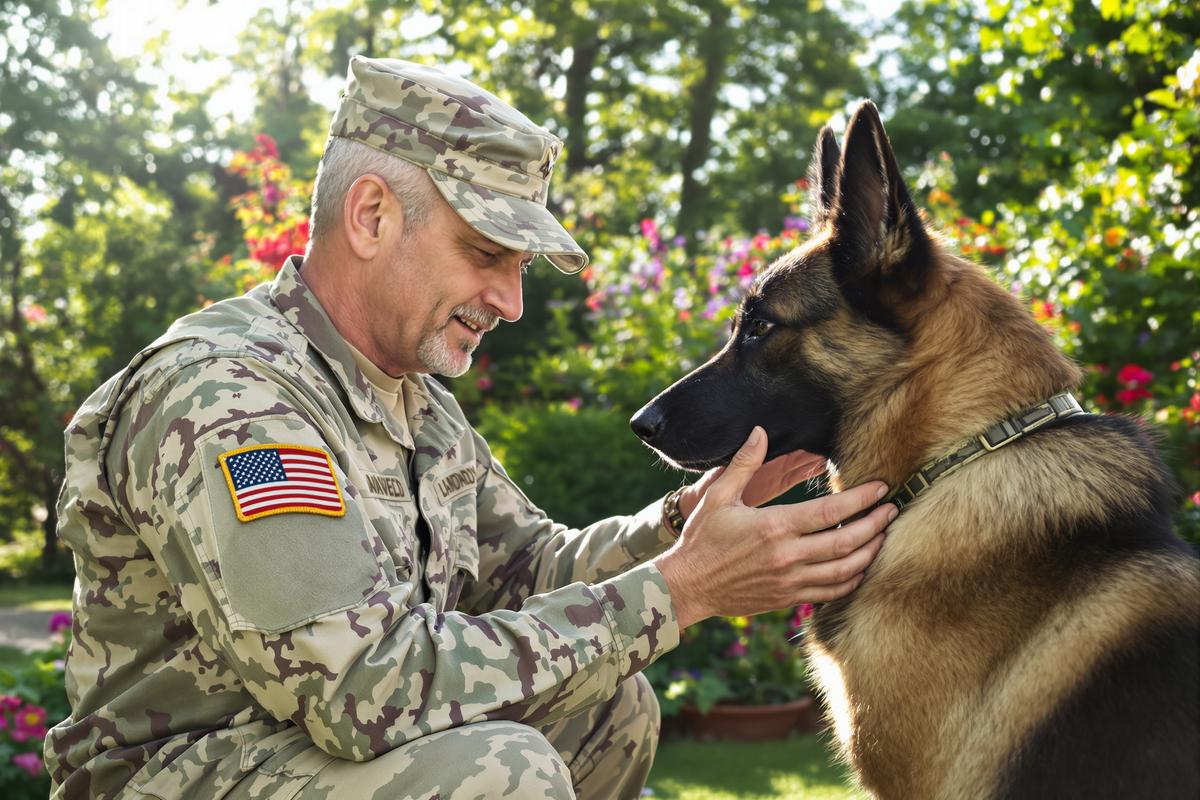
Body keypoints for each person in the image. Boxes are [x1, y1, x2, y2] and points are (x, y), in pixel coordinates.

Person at [44, 56, 894, 799]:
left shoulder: (412, 401)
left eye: (519, 270)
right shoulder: (232, 399)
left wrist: (683, 526)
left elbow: (529, 570)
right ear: (371, 215)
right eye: (488, 255)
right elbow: (361, 691)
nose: (511, 304)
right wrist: (686, 588)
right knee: (498, 771)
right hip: (178, 775)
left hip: (304, 759)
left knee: (609, 709)